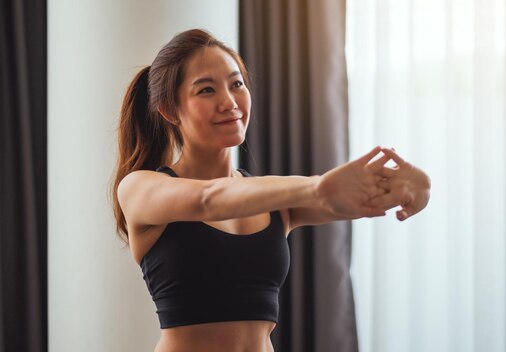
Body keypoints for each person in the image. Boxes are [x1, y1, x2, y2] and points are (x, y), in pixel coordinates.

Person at [111, 29, 430, 352]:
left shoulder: (275, 200)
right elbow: (208, 200)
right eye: (206, 90)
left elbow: (357, 195)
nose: (229, 102)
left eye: (237, 84)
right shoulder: (140, 188)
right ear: (168, 110)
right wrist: (317, 187)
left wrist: (414, 185)